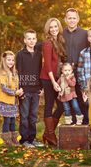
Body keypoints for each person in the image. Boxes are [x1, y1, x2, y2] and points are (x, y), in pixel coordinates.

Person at [40, 18, 67, 146]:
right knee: (49, 105)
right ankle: (50, 135)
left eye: (56, 26)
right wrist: (53, 82)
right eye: (51, 27)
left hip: (56, 78)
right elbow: (48, 65)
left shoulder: (59, 41)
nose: (54, 29)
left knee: (61, 106)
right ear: (48, 29)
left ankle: (48, 133)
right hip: (48, 78)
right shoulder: (48, 43)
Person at [16, 29, 44, 148]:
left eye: (33, 38)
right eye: (29, 38)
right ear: (25, 40)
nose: (31, 41)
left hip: (36, 90)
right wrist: (19, 89)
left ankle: (32, 139)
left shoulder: (39, 54)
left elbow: (40, 72)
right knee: (24, 116)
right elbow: (18, 72)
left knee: (33, 116)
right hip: (24, 90)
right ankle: (24, 140)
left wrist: (41, 87)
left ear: (36, 40)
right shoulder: (20, 54)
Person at [0, 51, 23, 146]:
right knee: (7, 120)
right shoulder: (2, 73)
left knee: (12, 120)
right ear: (4, 60)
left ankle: (13, 139)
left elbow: (15, 86)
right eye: (8, 60)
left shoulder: (14, 73)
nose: (11, 62)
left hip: (13, 101)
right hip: (5, 101)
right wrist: (15, 92)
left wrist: (19, 91)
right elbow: (4, 88)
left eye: (12, 60)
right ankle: (7, 141)